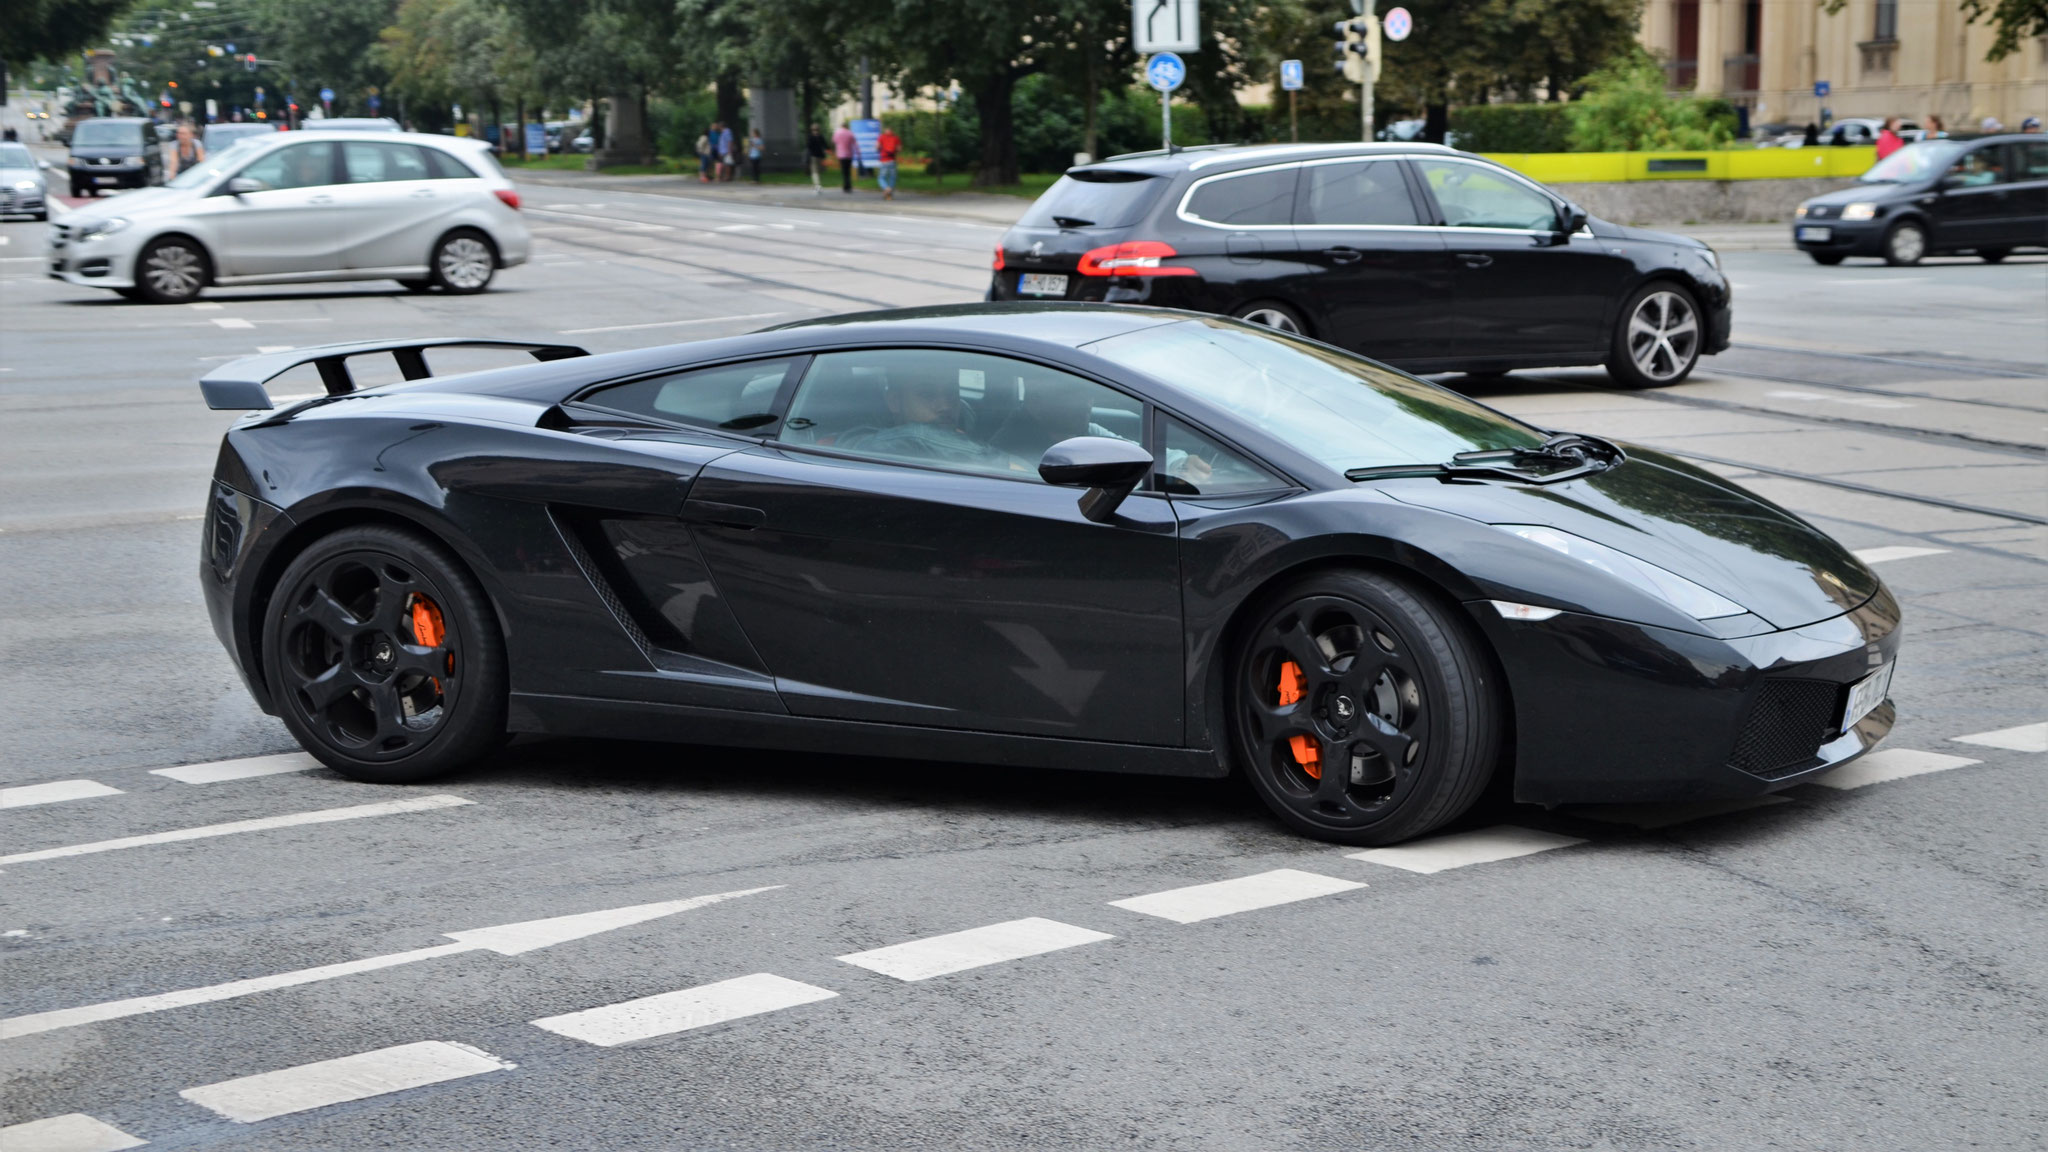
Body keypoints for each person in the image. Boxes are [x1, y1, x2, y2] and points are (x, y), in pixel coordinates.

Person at [875, 123, 900, 200]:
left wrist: (879, 150)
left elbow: (877, 147)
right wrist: (894, 153)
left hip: (884, 160)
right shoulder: (896, 138)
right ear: (892, 131)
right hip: (892, 160)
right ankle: (890, 191)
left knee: (881, 177)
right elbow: (899, 149)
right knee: (892, 177)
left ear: (885, 131)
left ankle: (886, 188)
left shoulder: (881, 137)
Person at [832, 120, 856, 194]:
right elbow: (854, 143)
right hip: (849, 154)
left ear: (841, 126)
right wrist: (858, 153)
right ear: (847, 126)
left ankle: (846, 186)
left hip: (841, 155)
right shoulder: (850, 133)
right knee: (848, 171)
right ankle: (848, 186)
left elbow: (834, 141)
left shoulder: (837, 133)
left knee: (844, 171)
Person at [805, 122, 827, 194]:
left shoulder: (810, 136)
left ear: (812, 129)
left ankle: (817, 186)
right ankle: (819, 185)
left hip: (813, 156)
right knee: (818, 171)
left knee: (814, 172)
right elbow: (825, 145)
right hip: (820, 156)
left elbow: (808, 146)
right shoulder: (821, 136)